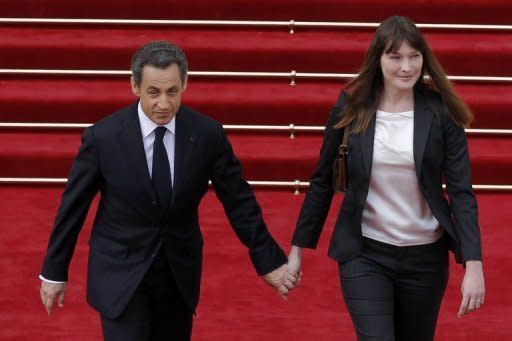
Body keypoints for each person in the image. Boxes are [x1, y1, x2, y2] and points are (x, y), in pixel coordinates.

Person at [39, 40, 298, 341]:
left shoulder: (206, 135)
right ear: (135, 86)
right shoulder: (104, 137)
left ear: (185, 84)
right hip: (120, 274)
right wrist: (54, 271)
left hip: (177, 276)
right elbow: (73, 208)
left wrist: (268, 259)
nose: (163, 104)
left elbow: (239, 201)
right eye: (153, 92)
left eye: (172, 92)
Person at [287, 16, 485, 341]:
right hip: (366, 253)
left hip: (425, 259)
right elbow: (322, 181)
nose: (406, 67)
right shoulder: (352, 107)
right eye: (395, 57)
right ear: (378, 60)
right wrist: (297, 249)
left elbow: (462, 192)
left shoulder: (441, 112)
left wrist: (473, 264)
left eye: (414, 56)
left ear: (424, 58)